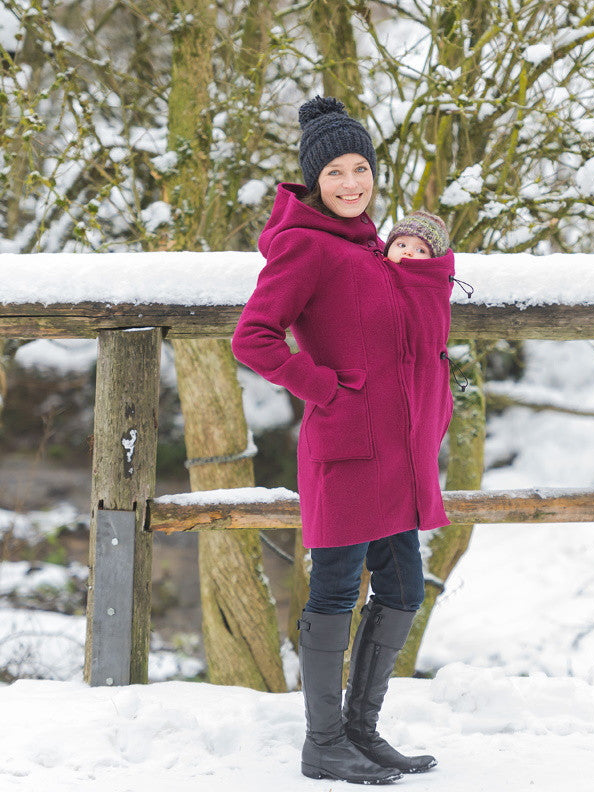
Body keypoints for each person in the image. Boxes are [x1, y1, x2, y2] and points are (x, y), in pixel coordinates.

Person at [231, 96, 455, 785]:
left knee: (403, 587)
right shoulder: (306, 244)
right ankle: (323, 742)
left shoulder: (372, 244)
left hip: (397, 456)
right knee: (333, 591)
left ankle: (361, 731)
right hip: (348, 448)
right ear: (314, 182)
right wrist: (326, 388)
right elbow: (254, 338)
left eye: (361, 168)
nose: (352, 183)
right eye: (336, 173)